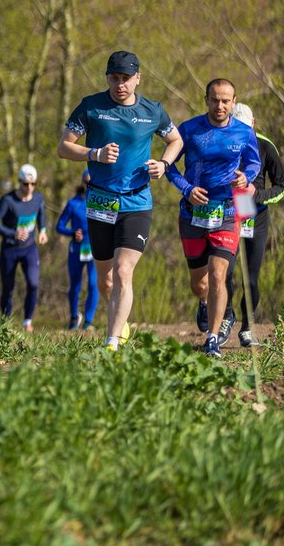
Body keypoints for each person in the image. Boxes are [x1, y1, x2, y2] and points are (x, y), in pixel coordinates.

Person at [57, 50, 182, 351]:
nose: (120, 84)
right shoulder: (91, 107)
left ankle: (111, 344)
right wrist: (94, 154)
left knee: (124, 271)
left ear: (138, 78)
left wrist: (163, 164)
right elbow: (63, 148)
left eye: (126, 78)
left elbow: (176, 140)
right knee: (106, 280)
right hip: (101, 201)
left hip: (137, 202)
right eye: (114, 78)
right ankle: (119, 323)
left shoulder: (153, 111)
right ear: (107, 78)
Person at [164, 79, 261, 357]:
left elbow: (254, 163)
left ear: (233, 102)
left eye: (226, 101)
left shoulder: (244, 132)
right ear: (206, 99)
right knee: (201, 283)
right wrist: (187, 189)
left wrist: (246, 177)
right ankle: (204, 301)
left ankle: (213, 338)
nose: (220, 106)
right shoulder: (189, 129)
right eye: (215, 100)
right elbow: (168, 166)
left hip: (228, 212)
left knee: (219, 275)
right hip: (192, 212)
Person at [227, 103, 284, 347]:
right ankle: (226, 316)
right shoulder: (222, 142)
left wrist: (258, 195)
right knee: (224, 273)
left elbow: (281, 186)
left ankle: (247, 327)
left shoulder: (265, 146)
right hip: (227, 214)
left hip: (256, 216)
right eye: (237, 127)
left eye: (246, 127)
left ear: (253, 123)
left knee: (250, 278)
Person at [0, 164, 49, 332]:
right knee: (8, 287)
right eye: (25, 184)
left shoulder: (38, 198)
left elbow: (41, 213)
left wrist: (43, 230)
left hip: (29, 248)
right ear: (19, 182)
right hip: (10, 249)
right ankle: (5, 320)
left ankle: (27, 321)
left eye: (33, 184)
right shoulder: (8, 201)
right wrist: (12, 233)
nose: (29, 188)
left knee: (33, 283)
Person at [56, 169, 98, 331]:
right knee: (75, 284)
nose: (90, 186)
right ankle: (74, 316)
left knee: (93, 283)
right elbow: (59, 226)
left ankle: (88, 321)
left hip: (94, 248)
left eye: (93, 183)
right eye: (87, 183)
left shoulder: (101, 201)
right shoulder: (73, 204)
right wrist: (72, 233)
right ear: (83, 183)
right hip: (77, 249)